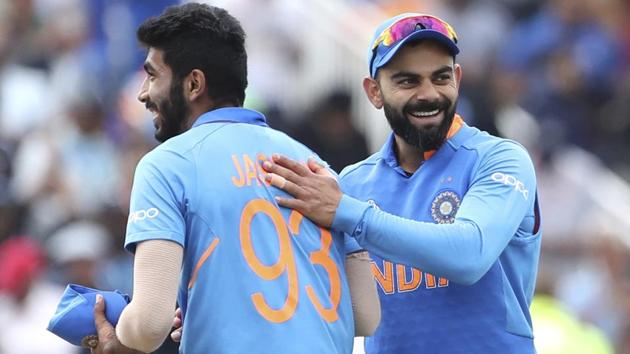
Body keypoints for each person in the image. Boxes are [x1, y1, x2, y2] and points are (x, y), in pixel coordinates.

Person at [88, 3, 379, 354]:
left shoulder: (166, 165)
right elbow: (365, 316)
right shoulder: (316, 166)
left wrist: (120, 335)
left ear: (194, 83)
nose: (143, 93)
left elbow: (150, 323)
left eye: (152, 75)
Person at [262, 12, 542, 354]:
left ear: (457, 78)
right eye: (408, 81)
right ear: (374, 92)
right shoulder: (352, 184)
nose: (429, 94)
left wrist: (349, 213)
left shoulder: (500, 159)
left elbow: (470, 255)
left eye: (440, 78)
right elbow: (312, 292)